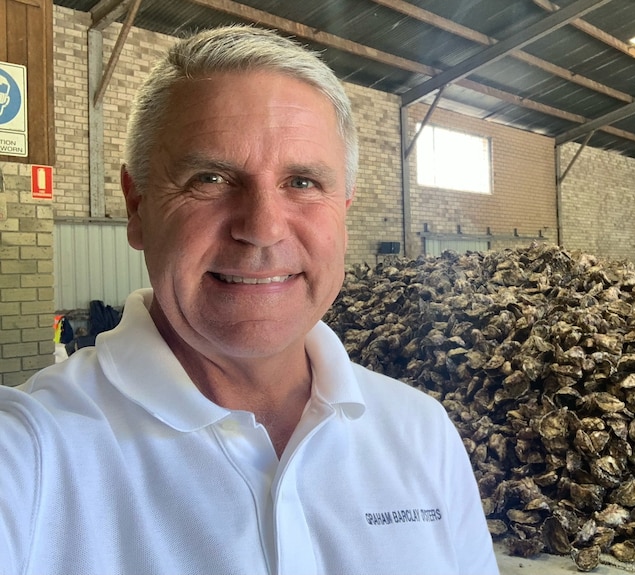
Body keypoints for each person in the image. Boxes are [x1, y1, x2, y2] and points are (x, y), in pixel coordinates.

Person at [0, 26, 498, 575]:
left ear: (345, 209)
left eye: (304, 182)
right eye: (210, 178)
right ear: (137, 206)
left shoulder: (421, 434)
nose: (262, 228)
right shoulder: (30, 455)